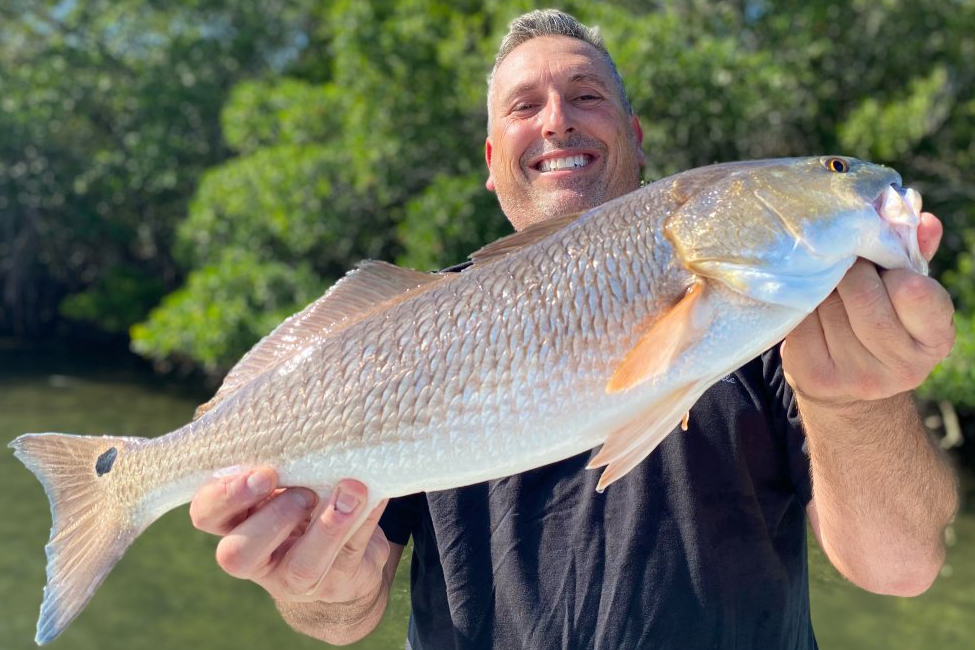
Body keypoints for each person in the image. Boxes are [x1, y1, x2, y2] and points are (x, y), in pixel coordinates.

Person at [187, 9, 958, 649]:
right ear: (492, 161)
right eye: (524, 107)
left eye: (586, 96)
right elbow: (344, 615)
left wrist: (854, 403)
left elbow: (899, 568)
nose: (556, 121)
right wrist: (319, 586)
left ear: (633, 134)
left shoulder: (788, 329)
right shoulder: (411, 334)